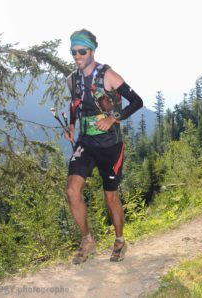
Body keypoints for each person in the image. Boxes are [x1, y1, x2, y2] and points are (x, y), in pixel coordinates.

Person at [64, 29, 143, 264]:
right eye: (73, 51)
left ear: (92, 51)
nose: (77, 55)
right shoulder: (73, 78)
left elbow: (137, 101)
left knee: (110, 197)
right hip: (86, 142)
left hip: (110, 145)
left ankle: (120, 241)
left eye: (81, 51)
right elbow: (75, 103)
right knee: (72, 191)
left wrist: (113, 118)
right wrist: (71, 125)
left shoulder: (108, 75)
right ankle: (87, 241)